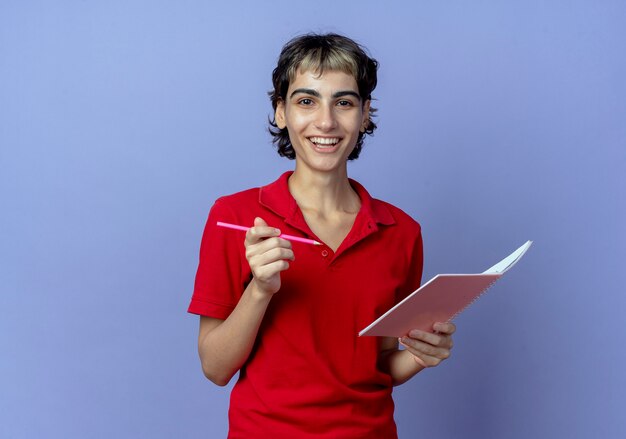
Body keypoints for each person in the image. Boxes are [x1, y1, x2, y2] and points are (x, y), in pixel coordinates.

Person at [188, 33, 456, 438]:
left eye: (344, 102)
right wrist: (260, 289)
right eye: (306, 101)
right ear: (280, 111)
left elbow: (380, 365)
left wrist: (420, 356)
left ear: (365, 114)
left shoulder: (401, 232)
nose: (326, 122)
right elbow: (215, 368)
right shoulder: (235, 217)